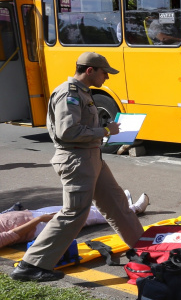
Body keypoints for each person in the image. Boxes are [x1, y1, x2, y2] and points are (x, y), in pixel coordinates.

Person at [10, 53, 145, 282]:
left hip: (91, 157)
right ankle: (31, 265)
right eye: (104, 73)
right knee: (74, 213)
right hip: (77, 160)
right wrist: (105, 131)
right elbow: (67, 132)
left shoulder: (82, 92)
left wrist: (104, 130)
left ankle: (145, 249)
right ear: (90, 70)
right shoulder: (69, 93)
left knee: (116, 203)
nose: (107, 77)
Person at [0, 195, 149, 249]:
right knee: (87, 216)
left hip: (28, 215)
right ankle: (134, 209)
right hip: (36, 225)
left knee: (80, 208)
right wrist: (39, 219)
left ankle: (122, 205)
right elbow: (12, 235)